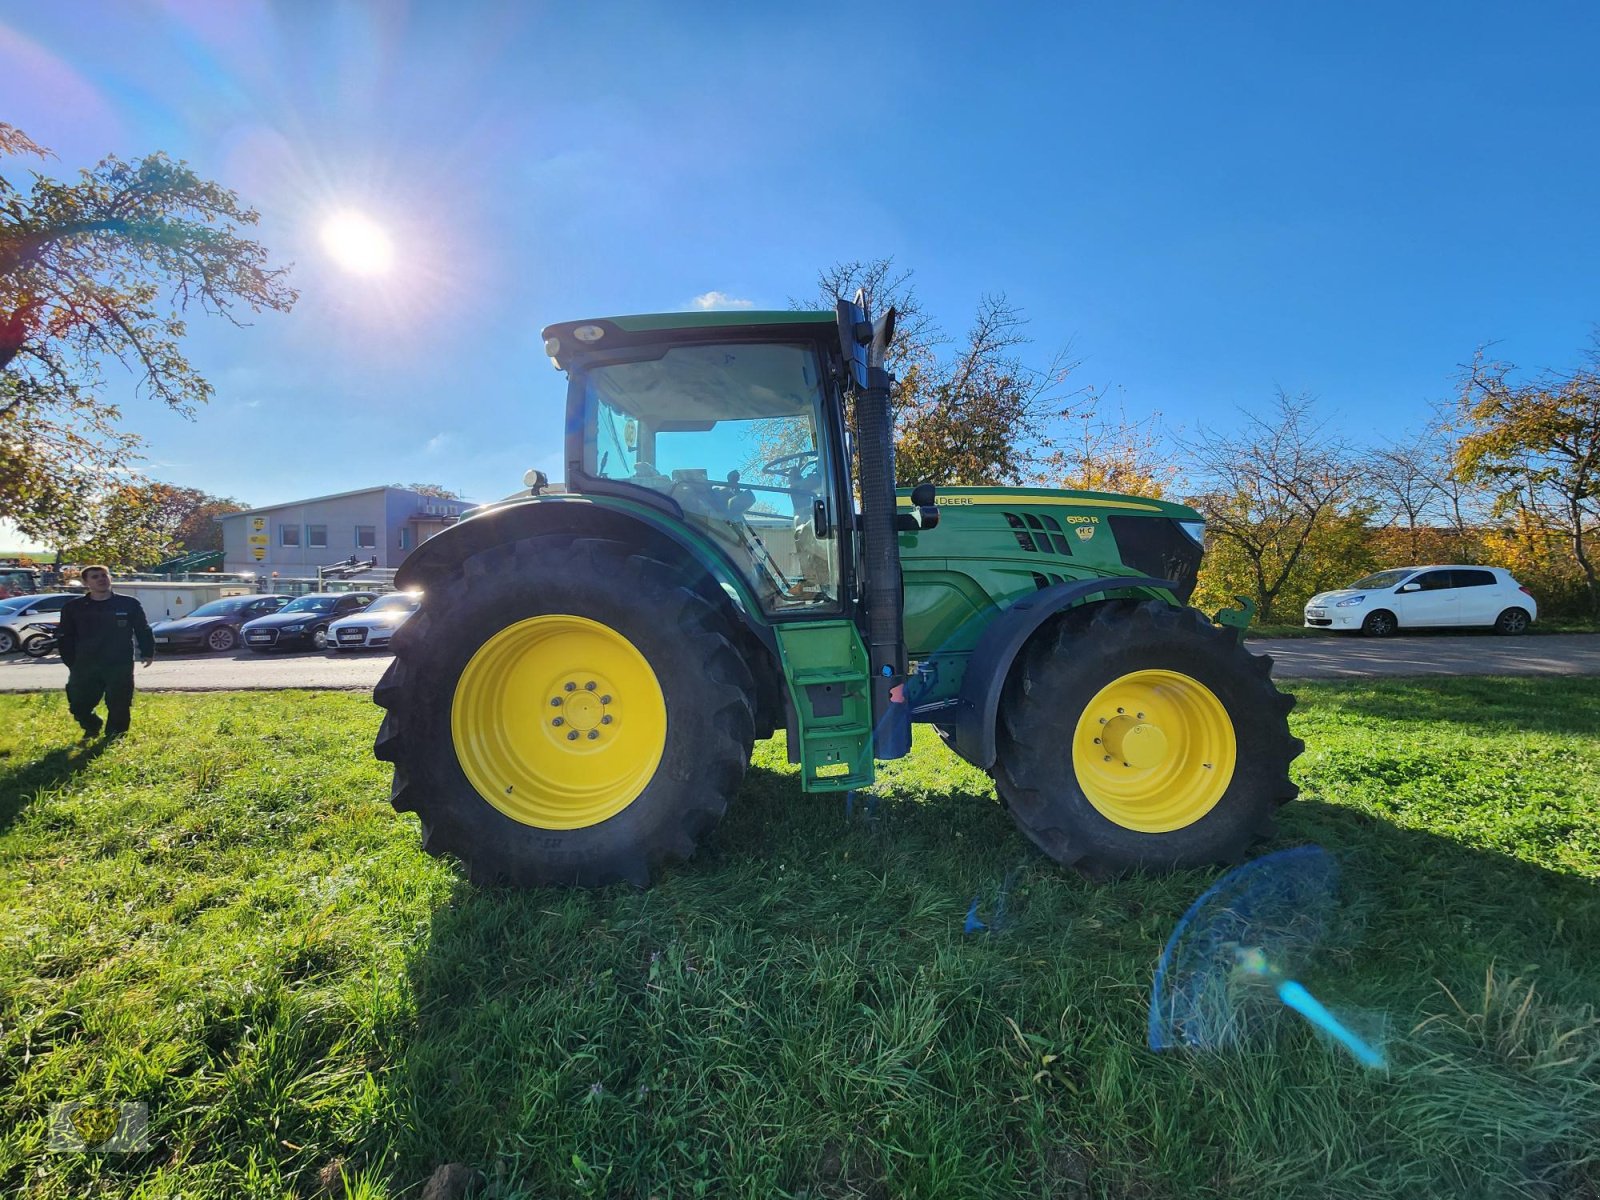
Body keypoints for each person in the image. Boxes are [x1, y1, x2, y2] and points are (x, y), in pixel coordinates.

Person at [56, 565, 154, 741]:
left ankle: (115, 737)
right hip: (84, 663)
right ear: (86, 582)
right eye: (95, 577)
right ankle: (92, 725)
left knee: (119, 703)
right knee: (79, 704)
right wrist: (71, 660)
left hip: (119, 662)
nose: (101, 579)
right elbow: (65, 636)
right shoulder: (74, 607)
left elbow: (143, 629)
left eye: (104, 575)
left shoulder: (129, 604)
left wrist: (148, 651)